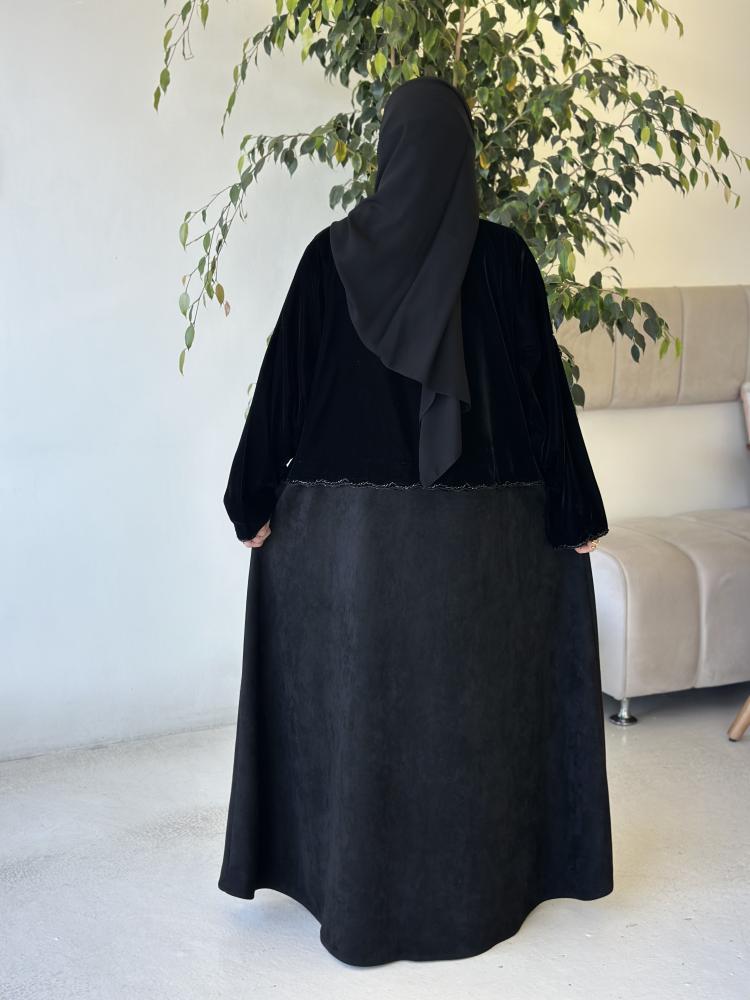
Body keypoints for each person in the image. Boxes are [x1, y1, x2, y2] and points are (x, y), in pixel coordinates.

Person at [218, 75, 613, 967]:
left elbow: (281, 388)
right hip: (484, 554)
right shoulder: (504, 261)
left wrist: (250, 502)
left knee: (360, 720)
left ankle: (357, 891)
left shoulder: (330, 259)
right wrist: (575, 510)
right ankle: (474, 892)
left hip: (350, 552)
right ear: (465, 156)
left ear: (388, 151)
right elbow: (546, 402)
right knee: (472, 723)